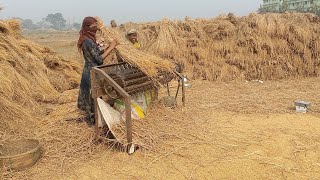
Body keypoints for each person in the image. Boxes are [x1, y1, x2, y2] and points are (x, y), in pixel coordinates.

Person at [77, 17, 118, 123]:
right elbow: (99, 60)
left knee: (94, 96)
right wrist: (111, 47)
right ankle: (93, 121)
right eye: (94, 27)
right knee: (93, 96)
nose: (96, 29)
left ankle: (95, 118)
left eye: (96, 26)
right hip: (92, 72)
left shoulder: (88, 39)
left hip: (91, 70)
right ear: (87, 27)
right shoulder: (88, 41)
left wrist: (107, 47)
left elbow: (96, 53)